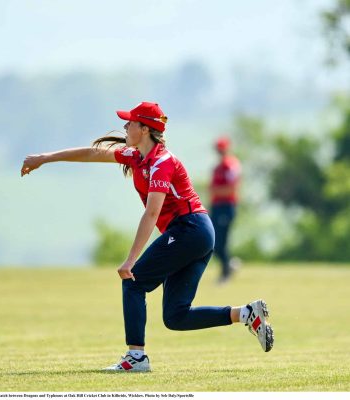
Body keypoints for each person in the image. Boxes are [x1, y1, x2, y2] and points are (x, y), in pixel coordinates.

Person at [21, 102, 273, 372]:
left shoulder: (162, 162)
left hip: (190, 229)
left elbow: (152, 214)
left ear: (144, 129)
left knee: (133, 281)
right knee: (176, 316)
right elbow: (92, 153)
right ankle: (247, 314)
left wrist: (130, 260)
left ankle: (136, 357)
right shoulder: (135, 156)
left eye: (130, 122)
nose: (126, 126)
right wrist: (44, 158)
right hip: (195, 233)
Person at [209, 136, 242, 284]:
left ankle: (226, 272)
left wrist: (216, 190)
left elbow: (232, 189)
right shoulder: (217, 168)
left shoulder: (231, 166)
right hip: (216, 207)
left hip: (226, 206)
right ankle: (230, 265)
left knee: (220, 242)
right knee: (214, 241)